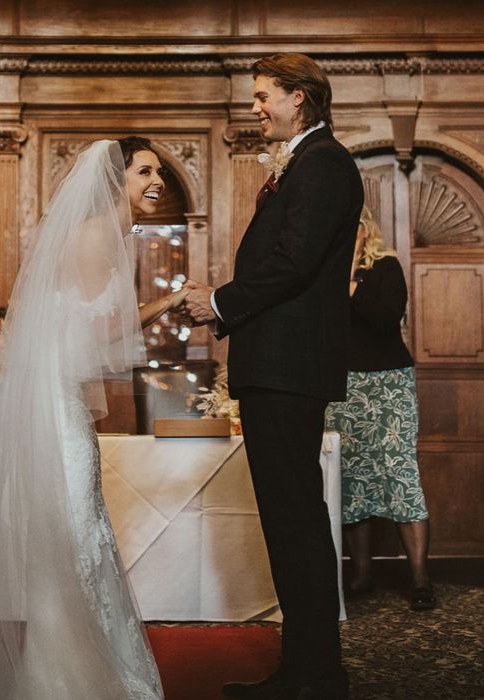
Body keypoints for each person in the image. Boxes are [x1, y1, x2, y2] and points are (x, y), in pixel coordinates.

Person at [0, 137, 188, 699]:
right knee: (77, 533)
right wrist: (168, 303)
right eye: (145, 172)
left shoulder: (110, 234)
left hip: (59, 404)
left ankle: (66, 668)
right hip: (57, 412)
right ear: (115, 181)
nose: (157, 182)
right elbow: (96, 334)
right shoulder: (100, 235)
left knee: (77, 534)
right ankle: (70, 677)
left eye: (158, 172)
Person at [184, 53, 363, 700]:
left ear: (301, 97)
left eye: (264, 96)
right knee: (291, 522)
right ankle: (307, 669)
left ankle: (316, 675)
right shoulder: (309, 163)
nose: (255, 107)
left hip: (288, 368)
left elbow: (293, 260)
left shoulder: (324, 165)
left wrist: (221, 302)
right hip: (278, 366)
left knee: (296, 523)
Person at [325, 206, 435, 612]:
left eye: (349, 228)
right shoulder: (321, 274)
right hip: (343, 385)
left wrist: (351, 283)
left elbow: (387, 320)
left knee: (399, 472)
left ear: (364, 228)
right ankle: (361, 575)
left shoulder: (386, 266)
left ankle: (421, 578)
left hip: (389, 382)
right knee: (351, 477)